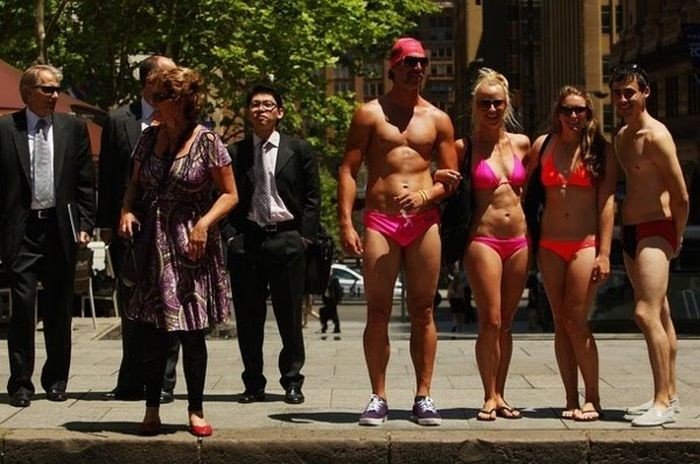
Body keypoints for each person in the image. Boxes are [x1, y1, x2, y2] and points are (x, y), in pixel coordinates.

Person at [338, 37, 458, 426]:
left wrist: (428, 194)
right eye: (409, 62)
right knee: (378, 311)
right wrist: (345, 221)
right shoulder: (369, 114)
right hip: (381, 221)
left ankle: (424, 395)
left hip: (423, 223)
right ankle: (379, 395)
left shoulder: (438, 118)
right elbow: (347, 170)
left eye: (421, 62)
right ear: (392, 67)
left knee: (424, 310)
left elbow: (451, 179)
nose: (417, 68)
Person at [118, 67, 237, 436]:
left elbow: (231, 194)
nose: (154, 104)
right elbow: (134, 184)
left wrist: (204, 223)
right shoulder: (149, 137)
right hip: (153, 241)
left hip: (191, 244)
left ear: (183, 101)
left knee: (191, 331)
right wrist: (125, 210)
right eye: (154, 97)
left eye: (162, 98)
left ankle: (196, 410)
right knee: (153, 332)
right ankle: (151, 409)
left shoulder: (207, 141)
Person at [0, 64, 95, 407]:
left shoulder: (73, 128)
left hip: (60, 230)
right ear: (27, 92)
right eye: (47, 89)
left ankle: (56, 380)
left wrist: (85, 224)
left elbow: (86, 183)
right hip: (21, 232)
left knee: (58, 310)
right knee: (23, 308)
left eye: (57, 88)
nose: (55, 95)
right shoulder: (4, 129)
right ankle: (20, 384)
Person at [221, 84, 321, 406]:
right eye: (254, 104)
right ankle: (253, 383)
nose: (261, 109)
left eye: (268, 104)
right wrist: (230, 237)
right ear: (248, 112)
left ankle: (292, 381)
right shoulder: (234, 153)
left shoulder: (300, 150)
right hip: (247, 241)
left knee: (289, 317)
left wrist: (304, 238)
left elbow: (311, 199)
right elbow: (222, 196)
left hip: (288, 240)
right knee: (248, 321)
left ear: (280, 112)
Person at [529, 86, 617, 421]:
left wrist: (605, 252)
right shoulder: (543, 145)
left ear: (589, 114)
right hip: (549, 245)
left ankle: (592, 397)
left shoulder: (600, 150)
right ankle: (570, 397)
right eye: (567, 110)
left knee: (575, 320)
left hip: (585, 243)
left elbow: (607, 203)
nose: (574, 116)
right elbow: (524, 187)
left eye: (581, 110)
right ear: (558, 113)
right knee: (559, 323)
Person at [97, 55, 180, 403]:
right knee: (131, 303)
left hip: (173, 224)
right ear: (149, 81)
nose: (174, 79)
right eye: (167, 74)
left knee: (169, 301)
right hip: (129, 225)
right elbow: (109, 174)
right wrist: (106, 224)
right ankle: (130, 380)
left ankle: (163, 381)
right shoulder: (118, 120)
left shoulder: (183, 118)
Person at [609, 64, 688, 427]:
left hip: (658, 229)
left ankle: (662, 402)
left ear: (645, 93)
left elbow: (681, 193)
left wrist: (678, 234)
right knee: (663, 313)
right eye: (618, 93)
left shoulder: (658, 136)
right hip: (631, 230)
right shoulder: (622, 136)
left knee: (644, 312)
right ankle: (669, 395)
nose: (623, 99)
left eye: (630, 92)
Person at [456, 68, 530, 421]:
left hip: (519, 240)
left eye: (497, 102)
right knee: (490, 319)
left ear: (507, 104)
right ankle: (488, 395)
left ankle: (502, 394)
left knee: (507, 323)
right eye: (484, 103)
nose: (491, 109)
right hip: (482, 239)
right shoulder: (465, 147)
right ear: (475, 106)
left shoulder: (522, 144)